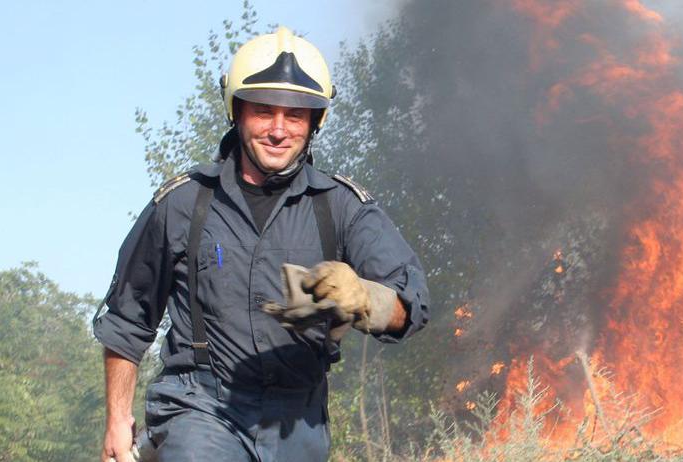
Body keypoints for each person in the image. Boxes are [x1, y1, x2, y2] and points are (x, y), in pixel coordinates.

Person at [93, 26, 430, 462]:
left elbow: (413, 304)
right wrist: (118, 421)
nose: (278, 129)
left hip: (300, 422)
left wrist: (368, 299)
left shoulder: (342, 208)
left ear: (314, 122)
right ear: (236, 111)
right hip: (201, 407)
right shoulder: (183, 203)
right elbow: (127, 320)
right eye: (264, 111)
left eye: (295, 115)